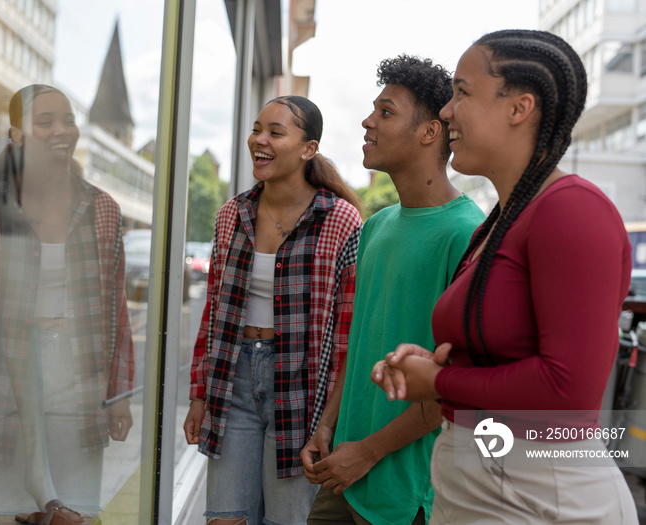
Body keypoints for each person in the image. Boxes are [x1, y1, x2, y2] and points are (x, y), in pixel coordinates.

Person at [371, 30, 639, 524]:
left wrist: (441, 381)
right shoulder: (504, 216)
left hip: (541, 497)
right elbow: (508, 354)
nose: (447, 111)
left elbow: (568, 388)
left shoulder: (572, 211)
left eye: (462, 92)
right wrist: (433, 363)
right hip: (488, 483)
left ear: (520, 108)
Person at [301, 55, 486, 525]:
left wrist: (369, 450)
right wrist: (327, 425)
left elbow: (456, 384)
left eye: (386, 112)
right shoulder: (375, 227)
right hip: (344, 467)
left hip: (406, 489)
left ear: (430, 132)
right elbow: (360, 344)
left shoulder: (466, 234)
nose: (368, 121)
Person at [0, 84, 135, 524]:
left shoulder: (102, 208)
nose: (61, 130)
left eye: (67, 120)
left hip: (79, 382)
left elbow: (116, 308)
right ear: (16, 135)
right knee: (5, 512)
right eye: (45, 122)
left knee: (73, 511)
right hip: (1, 380)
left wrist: (119, 394)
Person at [183, 95, 363, 525]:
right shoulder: (232, 214)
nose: (259, 140)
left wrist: (330, 421)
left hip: (301, 392)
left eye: (275, 132)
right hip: (233, 383)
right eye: (256, 129)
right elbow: (215, 310)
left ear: (308, 149)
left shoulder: (341, 220)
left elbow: (347, 337)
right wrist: (199, 393)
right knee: (223, 518)